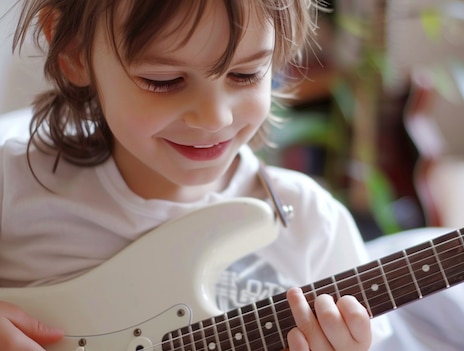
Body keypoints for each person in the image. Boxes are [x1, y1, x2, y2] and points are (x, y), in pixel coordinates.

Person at [0, 1, 382, 350]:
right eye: (164, 81)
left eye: (246, 74)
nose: (216, 118)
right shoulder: (12, 187)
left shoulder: (312, 225)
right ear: (74, 51)